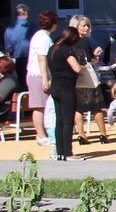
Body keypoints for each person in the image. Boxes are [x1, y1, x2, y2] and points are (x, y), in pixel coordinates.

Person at [45, 24, 87, 161]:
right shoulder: (66, 49)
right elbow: (76, 68)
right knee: (68, 121)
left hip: (55, 86)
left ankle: (60, 152)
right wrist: (83, 67)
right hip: (67, 88)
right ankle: (68, 153)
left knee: (60, 121)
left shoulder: (53, 48)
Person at [70, 15, 108, 145]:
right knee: (97, 106)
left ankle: (81, 134)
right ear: (76, 26)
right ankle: (103, 134)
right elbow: (90, 60)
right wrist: (96, 57)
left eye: (87, 25)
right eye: (83, 25)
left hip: (75, 77)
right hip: (88, 77)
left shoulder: (68, 41)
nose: (86, 28)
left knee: (78, 108)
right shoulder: (83, 41)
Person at [26, 10, 58, 144]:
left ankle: (44, 134)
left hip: (38, 73)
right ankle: (41, 136)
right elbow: (42, 59)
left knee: (43, 106)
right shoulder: (43, 38)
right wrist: (45, 79)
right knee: (39, 106)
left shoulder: (40, 36)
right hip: (38, 74)